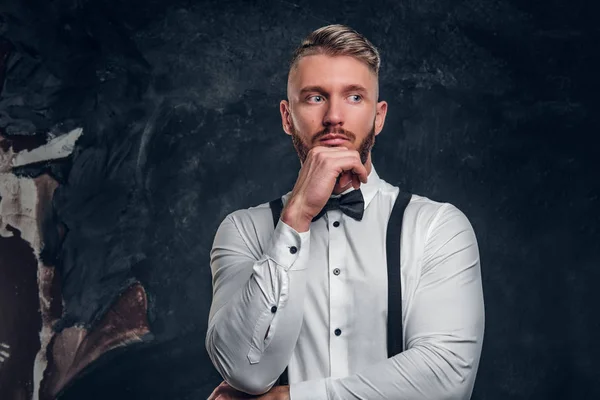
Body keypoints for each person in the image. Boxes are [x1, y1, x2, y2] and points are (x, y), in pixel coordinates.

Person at [206, 24, 485, 400]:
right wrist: (297, 217)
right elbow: (244, 370)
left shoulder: (438, 227)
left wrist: (293, 399)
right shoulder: (243, 230)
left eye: (354, 97)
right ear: (287, 117)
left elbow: (446, 375)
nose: (335, 116)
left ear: (379, 116)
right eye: (315, 98)